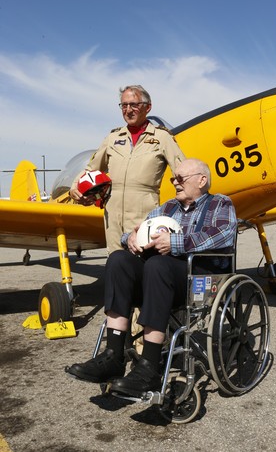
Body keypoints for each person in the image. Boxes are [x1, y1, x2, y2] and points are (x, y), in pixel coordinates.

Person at [66, 158, 237, 398]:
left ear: (202, 180)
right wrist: (131, 239)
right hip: (160, 277)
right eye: (173, 179)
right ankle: (114, 355)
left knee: (157, 264)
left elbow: (223, 235)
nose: (175, 182)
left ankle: (149, 367)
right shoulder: (167, 208)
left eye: (180, 178)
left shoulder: (220, 204)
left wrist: (176, 243)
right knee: (118, 259)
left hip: (198, 278)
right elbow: (135, 230)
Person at [69, 84, 185, 254]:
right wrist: (75, 188)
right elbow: (91, 169)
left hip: (145, 213)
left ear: (147, 107)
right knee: (115, 261)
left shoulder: (162, 137)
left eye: (134, 105)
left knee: (143, 259)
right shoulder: (112, 138)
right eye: (124, 105)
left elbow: (183, 172)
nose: (128, 110)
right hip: (113, 214)